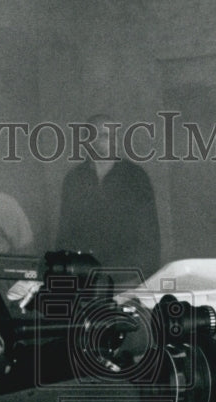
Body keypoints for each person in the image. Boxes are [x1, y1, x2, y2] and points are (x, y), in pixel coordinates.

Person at [55, 114, 161, 281]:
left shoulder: (135, 176)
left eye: (112, 135)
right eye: (102, 135)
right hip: (86, 277)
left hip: (128, 276)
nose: (109, 141)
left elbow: (149, 235)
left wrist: (141, 276)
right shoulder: (74, 179)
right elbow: (66, 233)